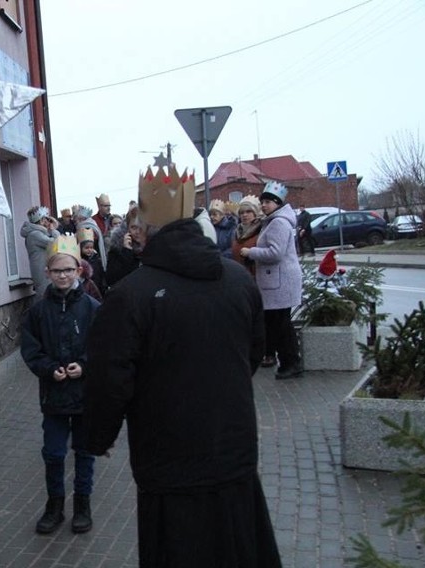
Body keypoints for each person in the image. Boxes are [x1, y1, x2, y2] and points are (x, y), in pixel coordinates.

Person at [83, 166, 282, 568]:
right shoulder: (237, 280)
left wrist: (96, 437)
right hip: (232, 450)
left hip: (169, 462)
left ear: (147, 228)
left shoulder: (129, 296)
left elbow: (109, 380)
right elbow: (253, 353)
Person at [21, 235, 100, 535]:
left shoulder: (92, 308)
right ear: (47, 273)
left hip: (83, 396)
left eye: (68, 270)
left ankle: (83, 504)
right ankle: (54, 505)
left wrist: (85, 364)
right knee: (53, 453)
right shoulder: (38, 312)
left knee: (83, 452)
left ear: (79, 270)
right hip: (53, 396)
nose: (63, 275)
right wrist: (48, 368)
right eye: (57, 271)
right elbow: (31, 349)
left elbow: (103, 346)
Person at [240, 181, 304, 379]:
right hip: (275, 281)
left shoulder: (278, 222)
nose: (265, 205)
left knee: (281, 325)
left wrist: (251, 252)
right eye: (263, 202)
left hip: (279, 282)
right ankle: (289, 362)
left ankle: (291, 363)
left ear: (277, 203)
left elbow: (276, 253)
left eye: (268, 202)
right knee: (281, 324)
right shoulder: (274, 220)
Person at [20, 205, 60, 300]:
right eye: (46, 219)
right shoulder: (35, 235)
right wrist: (53, 230)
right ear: (42, 220)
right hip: (42, 273)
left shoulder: (36, 233)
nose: (48, 222)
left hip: (42, 271)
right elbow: (56, 244)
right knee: (44, 298)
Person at [105, 207, 149, 288]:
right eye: (134, 227)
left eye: (141, 227)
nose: (138, 232)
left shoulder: (154, 245)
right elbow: (111, 279)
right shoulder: (117, 248)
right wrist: (126, 252)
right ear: (127, 228)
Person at [230, 195, 263, 279]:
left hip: (257, 277)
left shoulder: (261, 230)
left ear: (255, 213)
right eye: (242, 212)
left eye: (248, 212)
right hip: (239, 275)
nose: (244, 215)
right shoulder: (236, 231)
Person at [74, 205, 108, 271]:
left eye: (81, 219)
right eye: (78, 219)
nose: (78, 221)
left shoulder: (94, 228)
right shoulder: (78, 231)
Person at [77, 227, 106, 295]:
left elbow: (101, 275)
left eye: (91, 248)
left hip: (97, 287)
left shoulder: (97, 259)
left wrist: (103, 286)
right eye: (86, 248)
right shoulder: (79, 261)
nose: (89, 250)